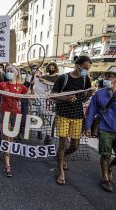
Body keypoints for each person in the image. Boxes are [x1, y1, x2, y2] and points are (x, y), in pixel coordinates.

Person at [52, 56, 93, 185]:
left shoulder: (86, 79)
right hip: (63, 115)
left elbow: (84, 100)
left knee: (75, 146)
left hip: (77, 116)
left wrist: (89, 94)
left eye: (88, 69)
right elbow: (52, 95)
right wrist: (66, 98)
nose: (87, 71)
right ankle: (61, 172)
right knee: (63, 144)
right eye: (85, 68)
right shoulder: (63, 78)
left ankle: (62, 157)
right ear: (77, 66)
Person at [84, 68, 116, 192]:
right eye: (106, 76)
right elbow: (91, 110)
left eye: (111, 77)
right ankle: (105, 179)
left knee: (109, 159)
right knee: (105, 155)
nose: (107, 79)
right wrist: (87, 126)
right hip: (104, 128)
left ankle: (110, 167)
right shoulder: (99, 94)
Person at [0, 65, 28, 177]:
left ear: (17, 73)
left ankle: (5, 154)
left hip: (16, 115)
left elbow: (29, 96)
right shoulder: (2, 85)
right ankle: (7, 165)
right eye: (7, 71)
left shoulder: (21, 87)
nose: (9, 72)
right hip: (5, 114)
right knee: (6, 138)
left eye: (11, 70)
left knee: (12, 138)